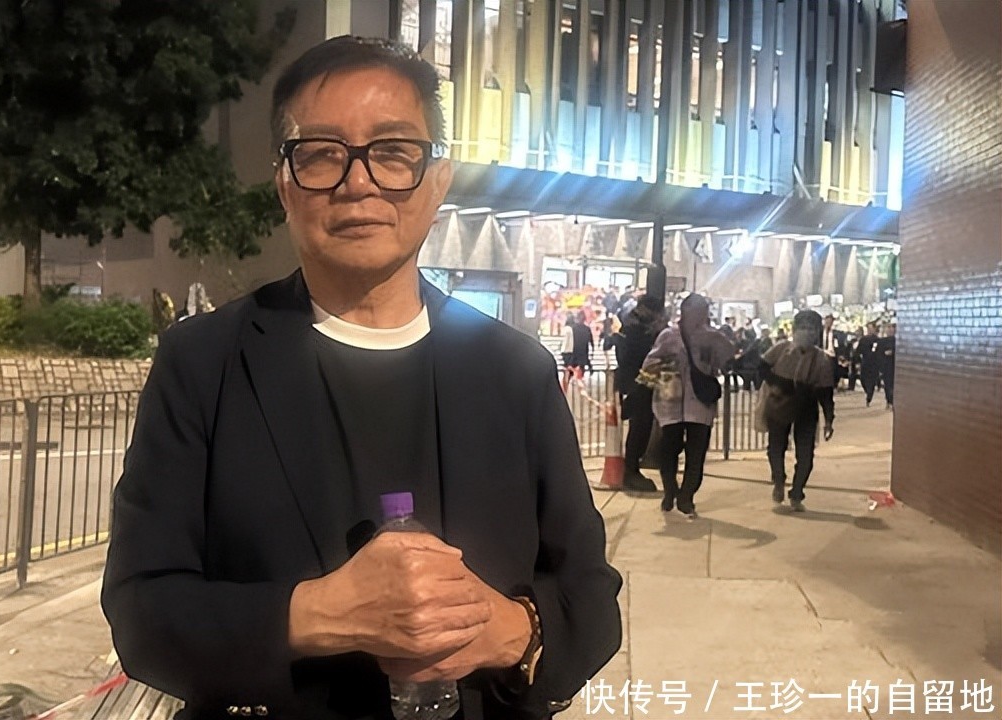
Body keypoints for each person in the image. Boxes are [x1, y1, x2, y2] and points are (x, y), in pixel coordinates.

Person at [102, 36, 622, 720]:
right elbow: (142, 611)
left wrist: (509, 631)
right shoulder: (204, 362)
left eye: (393, 151)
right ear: (284, 183)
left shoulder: (515, 370)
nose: (358, 182)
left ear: (437, 180)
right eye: (321, 153)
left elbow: (591, 597)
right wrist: (322, 613)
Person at [642, 294, 736, 517]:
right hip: (670, 404)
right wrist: (664, 369)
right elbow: (649, 364)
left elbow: (726, 360)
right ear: (684, 313)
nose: (699, 317)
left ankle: (686, 496)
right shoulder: (669, 336)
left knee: (696, 454)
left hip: (700, 404)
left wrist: (722, 343)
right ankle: (670, 490)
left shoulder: (712, 337)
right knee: (668, 451)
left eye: (702, 312)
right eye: (695, 311)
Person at [758, 311, 836, 512]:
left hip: (806, 407)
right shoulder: (781, 349)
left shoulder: (821, 359)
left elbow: (826, 393)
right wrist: (775, 384)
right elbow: (762, 367)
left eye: (812, 329)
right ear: (794, 330)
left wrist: (829, 420)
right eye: (803, 328)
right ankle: (778, 479)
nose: (807, 333)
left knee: (806, 455)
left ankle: (797, 492)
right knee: (776, 447)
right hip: (779, 404)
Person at [614, 295, 666, 493]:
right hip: (637, 383)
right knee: (640, 427)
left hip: (637, 382)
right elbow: (636, 356)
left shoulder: (631, 325)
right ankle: (631, 470)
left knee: (641, 426)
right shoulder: (636, 329)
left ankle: (632, 468)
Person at [819, 314, 851, 390]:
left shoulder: (836, 334)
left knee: (834, 371)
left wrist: (841, 355)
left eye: (830, 322)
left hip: (832, 354)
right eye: (827, 321)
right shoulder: (820, 332)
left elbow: (840, 345)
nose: (829, 323)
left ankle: (833, 385)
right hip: (822, 354)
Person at [855, 322, 882, 406]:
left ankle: (869, 396)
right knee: (863, 379)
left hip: (875, 363)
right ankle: (867, 391)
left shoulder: (878, 340)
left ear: (874, 329)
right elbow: (858, 351)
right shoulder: (863, 339)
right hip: (865, 362)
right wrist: (857, 362)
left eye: (871, 328)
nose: (869, 330)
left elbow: (880, 353)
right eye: (868, 328)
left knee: (872, 380)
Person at [562, 311, 594, 377]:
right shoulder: (587, 329)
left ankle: (570, 382)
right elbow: (591, 341)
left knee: (571, 373)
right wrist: (592, 352)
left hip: (574, 354)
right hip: (583, 354)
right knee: (580, 373)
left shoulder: (573, 328)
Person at [877, 322, 897, 409]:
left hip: (894, 366)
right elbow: (878, 354)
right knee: (887, 384)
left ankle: (893, 401)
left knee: (893, 384)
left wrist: (893, 353)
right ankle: (889, 400)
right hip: (885, 366)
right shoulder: (882, 341)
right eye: (888, 328)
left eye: (891, 328)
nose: (890, 330)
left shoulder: (897, 341)